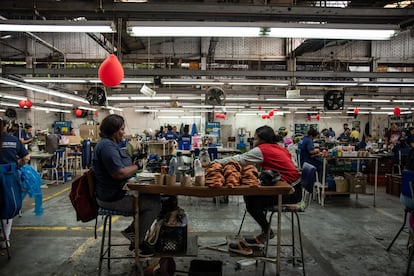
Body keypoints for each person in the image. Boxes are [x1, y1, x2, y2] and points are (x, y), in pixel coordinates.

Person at [213, 125, 301, 245]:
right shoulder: (280, 148)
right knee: (252, 196)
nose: (253, 141)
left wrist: (215, 162)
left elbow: (239, 159)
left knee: (252, 200)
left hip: (289, 192)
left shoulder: (262, 149)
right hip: (293, 187)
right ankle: (265, 231)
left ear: (262, 139)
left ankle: (267, 231)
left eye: (255, 138)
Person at [92, 114, 161, 257]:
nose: (124, 132)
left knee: (152, 195)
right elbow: (119, 173)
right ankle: (137, 239)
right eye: (122, 129)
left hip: (114, 193)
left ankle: (134, 231)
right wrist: (137, 167)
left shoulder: (110, 144)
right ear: (114, 130)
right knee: (154, 204)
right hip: (111, 198)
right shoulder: (107, 147)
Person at [0, 118, 30, 248]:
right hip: (9, 179)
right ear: (5, 126)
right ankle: (5, 238)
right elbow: (26, 158)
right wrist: (16, 166)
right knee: (8, 205)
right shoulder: (13, 140)